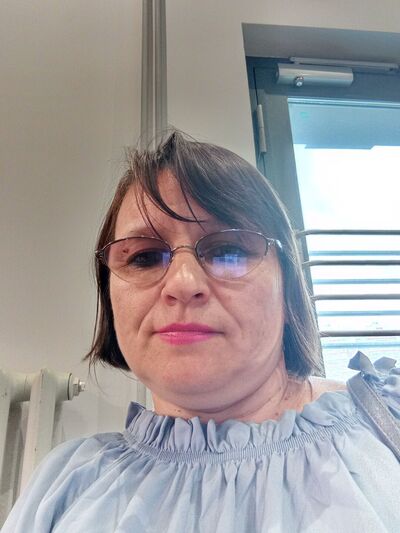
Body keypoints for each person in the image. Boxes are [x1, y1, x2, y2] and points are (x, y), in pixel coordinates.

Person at [3, 131, 399, 532]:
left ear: (289, 287)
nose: (182, 282)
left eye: (228, 251)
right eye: (144, 257)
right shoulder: (62, 486)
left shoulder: (387, 422)